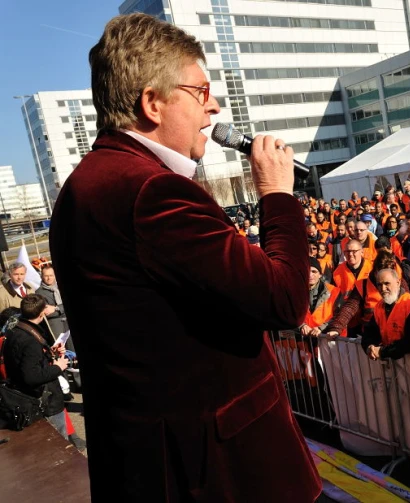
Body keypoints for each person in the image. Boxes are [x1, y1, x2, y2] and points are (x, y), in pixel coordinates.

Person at [48, 14, 319, 502]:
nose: (213, 107)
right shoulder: (151, 190)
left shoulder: (84, 185)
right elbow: (284, 298)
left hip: (150, 462)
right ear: (153, 102)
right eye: (201, 91)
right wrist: (277, 194)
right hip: (216, 472)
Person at [2, 295, 70, 437]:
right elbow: (31, 376)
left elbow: (23, 360)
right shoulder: (29, 340)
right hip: (44, 402)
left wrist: (49, 354)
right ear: (42, 313)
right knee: (58, 445)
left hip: (28, 400)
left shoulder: (15, 330)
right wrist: (58, 367)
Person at [361, 268, 410, 361]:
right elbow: (370, 333)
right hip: (393, 366)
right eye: (379, 285)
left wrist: (382, 352)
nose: (383, 289)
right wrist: (370, 347)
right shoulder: (379, 307)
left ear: (398, 283)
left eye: (387, 283)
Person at [298, 259, 343, 337]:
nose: (310, 275)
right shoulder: (295, 292)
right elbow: (289, 314)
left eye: (314, 271)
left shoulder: (334, 291)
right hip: (304, 340)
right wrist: (301, 325)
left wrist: (321, 328)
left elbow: (340, 316)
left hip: (328, 339)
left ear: (320, 274)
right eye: (307, 271)